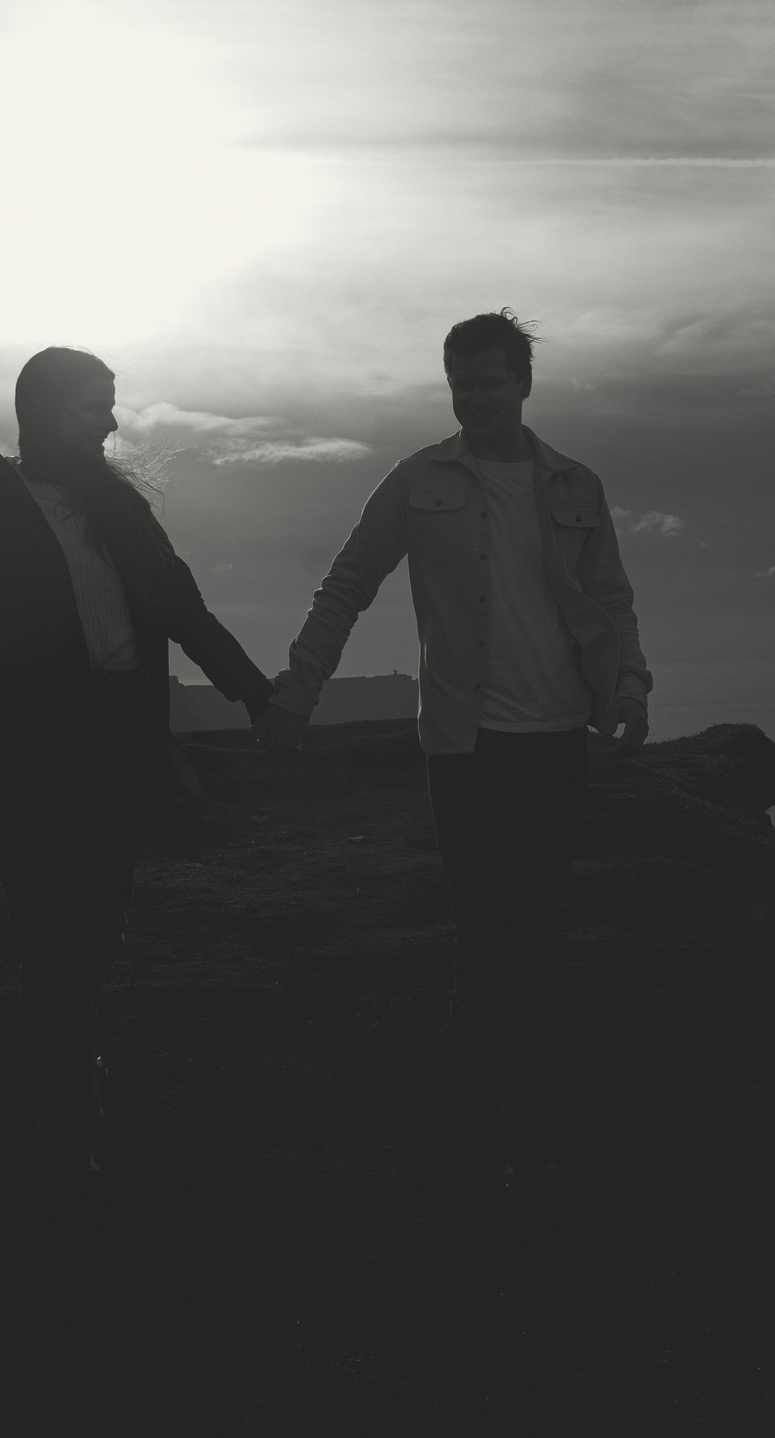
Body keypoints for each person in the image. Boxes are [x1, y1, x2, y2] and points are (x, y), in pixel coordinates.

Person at [0, 347, 274, 1170]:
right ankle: (71, 1106)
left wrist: (253, 691)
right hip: (31, 748)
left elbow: (181, 606)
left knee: (101, 921)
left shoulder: (120, 507)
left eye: (111, 404)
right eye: (92, 406)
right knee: (50, 926)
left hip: (118, 743)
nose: (111, 422)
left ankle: (63, 1061)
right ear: (41, 410)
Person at [256, 311, 650, 1172]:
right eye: (460, 383)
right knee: (482, 914)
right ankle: (483, 1083)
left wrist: (630, 686)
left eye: (488, 382)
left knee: (533, 916)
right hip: (465, 740)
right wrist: (298, 690)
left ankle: (498, 1076)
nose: (474, 398)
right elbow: (347, 584)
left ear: (523, 383)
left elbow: (610, 598)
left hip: (557, 733)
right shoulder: (415, 480)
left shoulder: (576, 486)